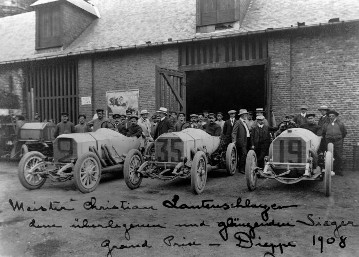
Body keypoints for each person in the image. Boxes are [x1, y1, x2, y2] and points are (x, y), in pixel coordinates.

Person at [322, 110, 347, 176]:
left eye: (333, 116)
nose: (331, 117)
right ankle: (329, 170)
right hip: (329, 141)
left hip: (338, 141)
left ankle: (338, 170)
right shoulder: (326, 124)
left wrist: (339, 138)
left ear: (335, 116)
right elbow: (323, 133)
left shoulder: (340, 124)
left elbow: (344, 133)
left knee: (338, 155)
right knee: (329, 155)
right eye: (330, 116)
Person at [232, 109, 251, 173]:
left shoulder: (245, 122)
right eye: (245, 114)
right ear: (242, 115)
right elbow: (234, 132)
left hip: (247, 139)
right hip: (241, 141)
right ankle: (241, 169)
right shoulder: (238, 122)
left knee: (246, 154)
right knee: (243, 154)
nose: (246, 115)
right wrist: (234, 141)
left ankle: (244, 167)